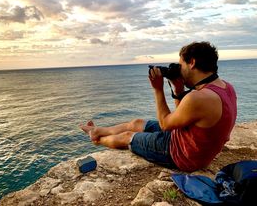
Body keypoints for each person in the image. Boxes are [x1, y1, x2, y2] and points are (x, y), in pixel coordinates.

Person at [80, 41, 237, 172]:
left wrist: (158, 89)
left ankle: (97, 139)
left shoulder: (199, 97)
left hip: (183, 156)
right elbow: (183, 117)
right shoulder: (226, 87)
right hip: (186, 140)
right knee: (136, 123)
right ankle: (97, 130)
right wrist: (178, 90)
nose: (179, 70)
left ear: (192, 63)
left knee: (127, 136)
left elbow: (165, 124)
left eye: (181, 64)